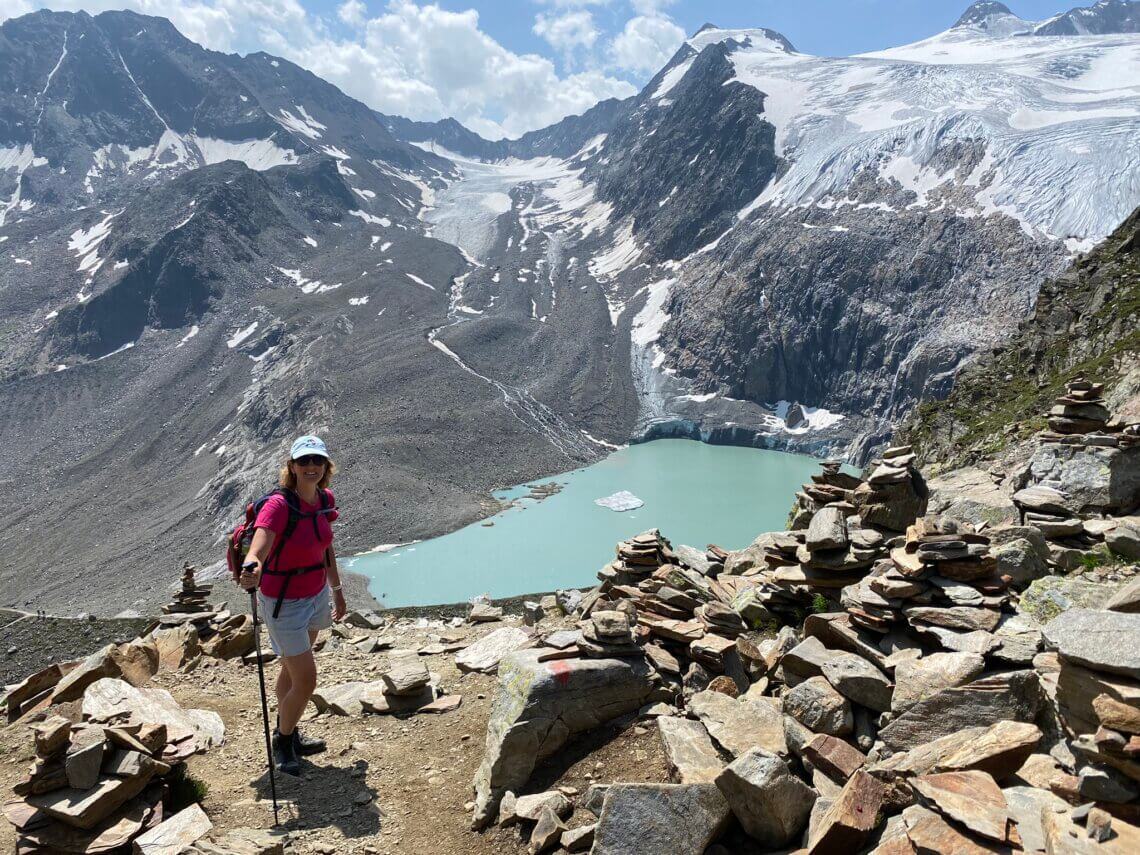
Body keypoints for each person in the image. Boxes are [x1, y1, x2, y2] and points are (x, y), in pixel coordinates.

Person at [238, 435, 347, 775]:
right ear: (292, 467)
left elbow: (325, 547)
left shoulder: (324, 500)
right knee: (306, 680)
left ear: (326, 467)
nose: (311, 467)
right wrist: (252, 563)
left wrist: (337, 589)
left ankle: (290, 729)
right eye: (304, 461)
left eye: (317, 461)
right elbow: (261, 539)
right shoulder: (279, 505)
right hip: (284, 601)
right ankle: (283, 741)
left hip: (315, 595)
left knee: (291, 670)